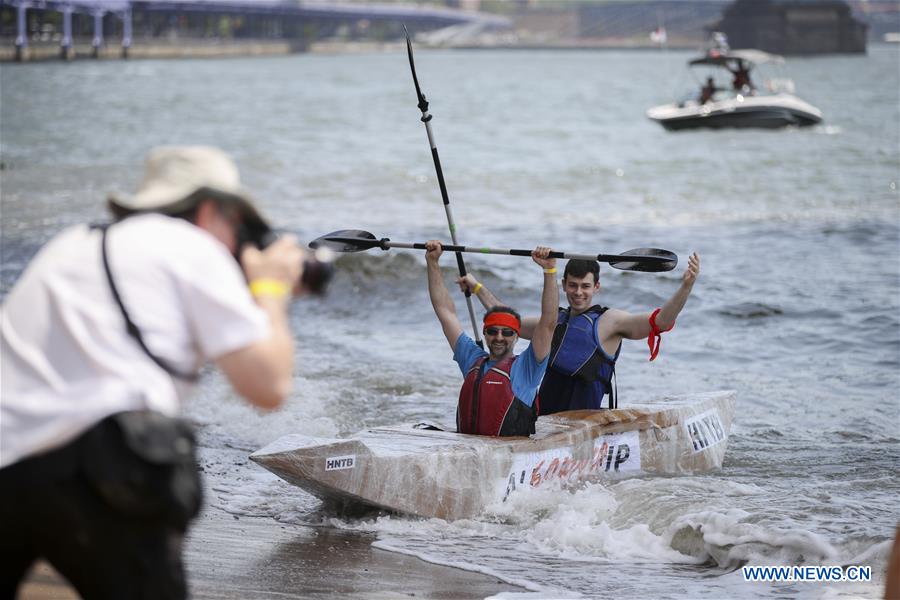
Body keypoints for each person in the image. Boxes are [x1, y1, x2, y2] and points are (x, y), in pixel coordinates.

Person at [0, 146, 308, 599]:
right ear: (209, 210)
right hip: (98, 467)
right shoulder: (191, 245)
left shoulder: (72, 243)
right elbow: (268, 386)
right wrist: (270, 289)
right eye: (236, 224)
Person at [457, 252, 700, 415]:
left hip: (584, 426)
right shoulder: (553, 322)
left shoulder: (611, 322)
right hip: (545, 421)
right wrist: (477, 287)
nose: (578, 292)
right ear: (563, 285)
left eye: (585, 286)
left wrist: (686, 286)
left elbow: (661, 322)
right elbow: (508, 320)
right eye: (572, 285)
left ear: (596, 287)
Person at [426, 241, 558, 437]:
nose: (499, 337)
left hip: (510, 457)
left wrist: (550, 270)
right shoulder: (471, 359)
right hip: (470, 453)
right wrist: (433, 262)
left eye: (506, 333)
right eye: (493, 331)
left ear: (516, 336)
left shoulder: (527, 368)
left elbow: (548, 322)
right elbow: (445, 312)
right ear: (485, 333)